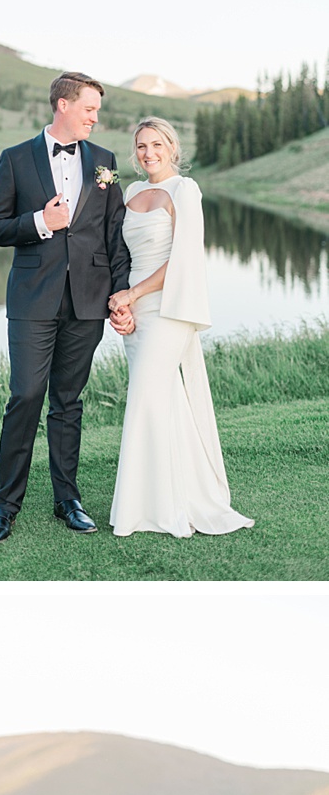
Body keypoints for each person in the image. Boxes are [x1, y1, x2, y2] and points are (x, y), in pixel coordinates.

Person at [0, 72, 133, 543]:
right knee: (25, 395)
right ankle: (5, 505)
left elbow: (115, 235)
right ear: (62, 105)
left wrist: (120, 293)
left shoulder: (104, 162)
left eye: (97, 111)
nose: (95, 117)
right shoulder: (15, 159)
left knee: (68, 403)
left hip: (88, 301)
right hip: (32, 299)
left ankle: (68, 500)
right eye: (89, 108)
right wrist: (39, 222)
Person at [106, 119, 254, 537]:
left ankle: (150, 508)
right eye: (141, 146)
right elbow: (119, 252)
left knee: (146, 399)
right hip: (133, 311)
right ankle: (166, 498)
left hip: (167, 310)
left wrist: (133, 295)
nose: (148, 153)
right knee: (160, 400)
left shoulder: (184, 191)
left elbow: (184, 259)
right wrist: (121, 304)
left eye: (156, 144)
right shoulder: (131, 192)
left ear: (172, 147)